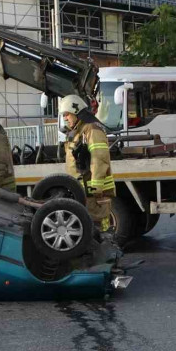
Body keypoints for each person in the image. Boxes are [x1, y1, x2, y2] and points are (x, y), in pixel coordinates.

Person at [61, 94, 116, 244]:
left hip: (93, 192)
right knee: (88, 229)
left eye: (66, 114)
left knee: (99, 229)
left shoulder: (91, 129)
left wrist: (95, 187)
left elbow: (100, 159)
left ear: (76, 111)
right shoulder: (79, 131)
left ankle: (109, 257)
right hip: (83, 190)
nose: (65, 118)